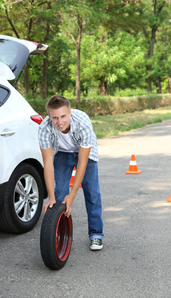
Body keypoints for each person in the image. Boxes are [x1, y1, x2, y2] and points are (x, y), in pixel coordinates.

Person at [38, 95, 104, 251]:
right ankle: (61, 234)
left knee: (92, 192)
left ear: (69, 113)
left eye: (63, 116)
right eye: (55, 118)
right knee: (59, 194)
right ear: (49, 116)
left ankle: (96, 235)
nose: (59, 122)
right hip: (62, 152)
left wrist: (72, 195)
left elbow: (82, 162)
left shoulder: (82, 123)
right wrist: (51, 197)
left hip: (85, 152)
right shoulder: (44, 128)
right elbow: (47, 164)